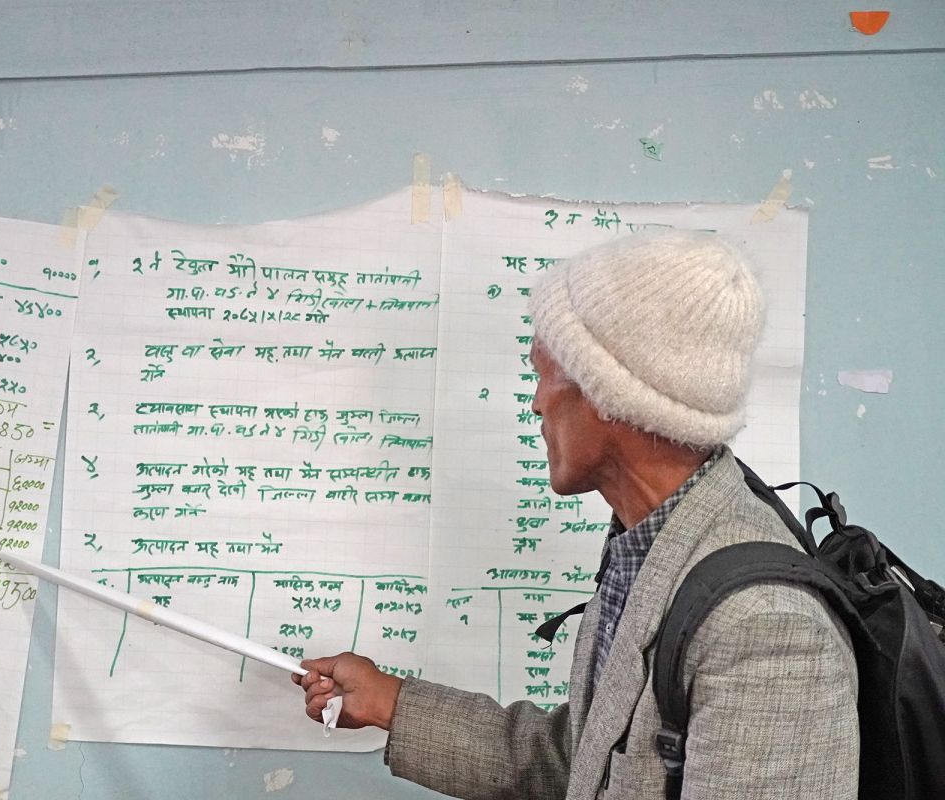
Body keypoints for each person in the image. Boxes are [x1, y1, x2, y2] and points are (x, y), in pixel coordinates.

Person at [294, 230, 859, 799]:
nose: (537, 402)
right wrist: (391, 701)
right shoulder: (651, 549)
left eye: (544, 372)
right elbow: (590, 760)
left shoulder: (765, 627)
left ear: (609, 394)